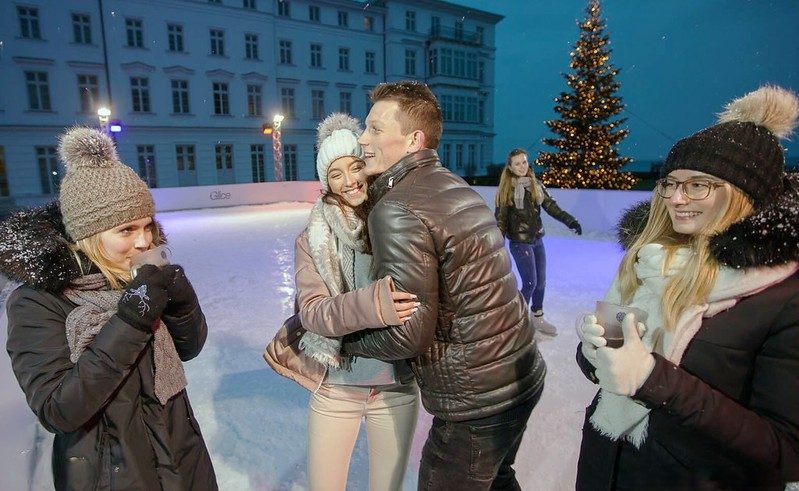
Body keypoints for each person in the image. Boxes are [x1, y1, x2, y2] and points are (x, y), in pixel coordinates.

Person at [575, 85, 799, 489]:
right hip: (606, 470)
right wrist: (593, 350)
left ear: (745, 195)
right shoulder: (651, 261)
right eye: (671, 183)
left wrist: (652, 378)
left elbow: (784, 452)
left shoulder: (783, 298)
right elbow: (606, 372)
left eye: (698, 184)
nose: (677, 198)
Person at [339, 81, 547, 490]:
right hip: (520, 374)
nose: (362, 140)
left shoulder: (398, 207)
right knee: (498, 478)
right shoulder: (451, 184)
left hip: (478, 399)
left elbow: (409, 333)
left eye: (376, 129)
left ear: (414, 138)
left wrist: (338, 338)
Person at [1, 127, 217, 490]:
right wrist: (131, 321)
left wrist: (181, 304)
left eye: (148, 225)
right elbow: (59, 409)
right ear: (88, 235)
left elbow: (188, 348)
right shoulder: (38, 302)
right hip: (111, 473)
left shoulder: (136, 278)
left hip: (182, 457)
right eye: (126, 230)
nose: (144, 241)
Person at [270, 113, 420, 491]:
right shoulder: (312, 239)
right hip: (337, 385)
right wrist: (374, 305)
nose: (350, 180)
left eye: (355, 167)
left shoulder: (399, 221)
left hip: (396, 385)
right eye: (336, 173)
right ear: (326, 182)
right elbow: (315, 313)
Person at [495, 148, 582, 336]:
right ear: (510, 167)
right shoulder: (506, 190)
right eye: (517, 163)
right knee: (530, 283)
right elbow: (500, 220)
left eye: (524, 162)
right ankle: (515, 322)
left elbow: (552, 207)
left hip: (537, 240)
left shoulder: (536, 185)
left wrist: (570, 221)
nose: (521, 166)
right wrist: (497, 245)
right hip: (520, 242)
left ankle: (537, 317)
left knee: (541, 283)